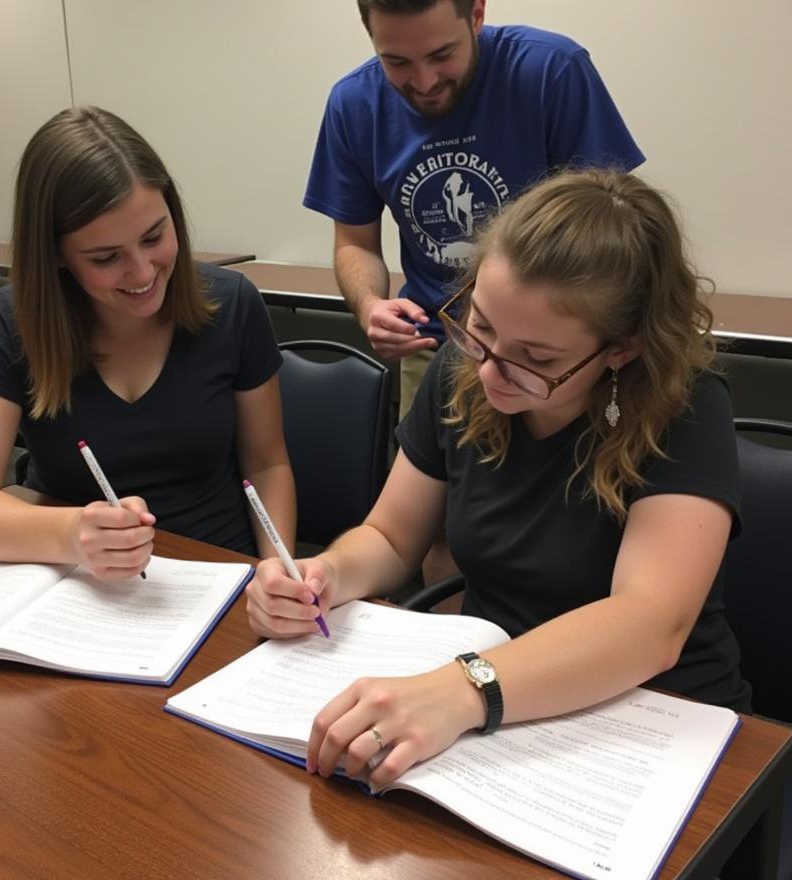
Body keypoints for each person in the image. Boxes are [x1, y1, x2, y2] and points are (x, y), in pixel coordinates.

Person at [248, 169, 748, 789]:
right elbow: (392, 538)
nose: (490, 371)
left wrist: (463, 689)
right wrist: (326, 575)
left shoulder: (687, 406)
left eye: (537, 360)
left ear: (622, 349)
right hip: (497, 712)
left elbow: (650, 625)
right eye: (480, 325)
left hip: (651, 715)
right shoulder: (463, 368)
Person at [0, 107, 294, 577]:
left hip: (218, 575)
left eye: (154, 236)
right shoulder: (14, 322)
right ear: (56, 256)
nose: (142, 273)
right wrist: (72, 534)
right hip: (77, 584)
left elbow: (266, 465)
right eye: (106, 257)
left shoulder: (231, 305)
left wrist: (277, 567)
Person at [303, 0, 645, 419]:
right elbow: (355, 242)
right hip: (437, 346)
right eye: (396, 61)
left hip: (551, 357)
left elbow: (614, 230)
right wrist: (369, 306)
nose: (423, 81)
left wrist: (545, 351)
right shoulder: (353, 104)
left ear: (477, 15)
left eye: (442, 55)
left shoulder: (550, 72)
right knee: (431, 492)